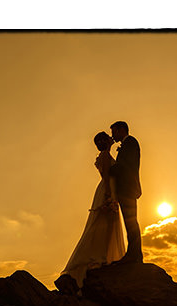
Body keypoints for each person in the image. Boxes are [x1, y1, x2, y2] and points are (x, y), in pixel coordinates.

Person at [55, 131, 126, 294]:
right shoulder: (105, 156)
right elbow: (107, 178)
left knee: (106, 227)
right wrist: (109, 196)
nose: (111, 138)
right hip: (107, 191)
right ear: (105, 141)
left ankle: (102, 258)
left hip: (107, 190)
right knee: (102, 226)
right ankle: (99, 258)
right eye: (108, 137)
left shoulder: (103, 156)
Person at [109, 120, 143, 264]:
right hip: (125, 188)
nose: (113, 135)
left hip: (127, 188)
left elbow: (125, 165)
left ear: (121, 129)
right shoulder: (127, 144)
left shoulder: (130, 143)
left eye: (114, 131)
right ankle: (133, 254)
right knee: (129, 222)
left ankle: (134, 255)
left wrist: (110, 169)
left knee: (131, 222)